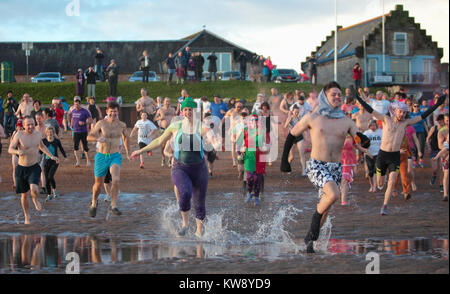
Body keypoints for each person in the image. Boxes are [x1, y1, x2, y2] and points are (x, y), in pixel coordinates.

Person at [280, 81, 370, 253]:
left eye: (339, 94)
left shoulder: (346, 121)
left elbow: (358, 138)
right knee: (334, 194)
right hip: (316, 165)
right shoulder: (312, 117)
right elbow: (292, 136)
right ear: (324, 97)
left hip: (336, 167)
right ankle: (311, 235)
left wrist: (364, 141)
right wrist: (285, 161)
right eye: (333, 94)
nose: (337, 97)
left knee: (326, 206)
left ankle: (310, 241)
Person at [354, 88, 447, 215]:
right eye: (400, 112)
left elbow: (422, 116)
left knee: (391, 182)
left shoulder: (406, 123)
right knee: (380, 183)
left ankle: (384, 206)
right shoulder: (385, 119)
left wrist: (437, 104)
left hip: (394, 156)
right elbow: (371, 110)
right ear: (394, 111)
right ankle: (382, 179)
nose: (402, 114)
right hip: (382, 155)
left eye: (404, 112)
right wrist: (359, 99)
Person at [131, 97, 215, 238]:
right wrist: (140, 151)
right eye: (186, 110)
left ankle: (200, 233)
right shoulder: (175, 126)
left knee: (200, 203)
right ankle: (185, 224)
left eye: (191, 110)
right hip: (180, 167)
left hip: (199, 169)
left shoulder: (200, 126)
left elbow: (210, 135)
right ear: (182, 112)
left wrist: (214, 140)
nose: (188, 112)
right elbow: (159, 140)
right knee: (185, 193)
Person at [8, 116, 59, 224]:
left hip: (34, 167)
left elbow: (42, 146)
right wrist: (17, 152)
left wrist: (51, 156)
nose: (31, 126)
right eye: (28, 124)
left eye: (32, 124)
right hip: (21, 168)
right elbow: (10, 149)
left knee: (34, 189)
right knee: (24, 195)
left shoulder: (37, 134)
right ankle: (27, 216)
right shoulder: (19, 135)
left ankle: (35, 200)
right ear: (23, 125)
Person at [87, 102, 131, 217]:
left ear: (118, 112)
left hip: (115, 156)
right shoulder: (101, 123)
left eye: (115, 111)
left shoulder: (122, 125)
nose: (113, 113)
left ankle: (113, 205)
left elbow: (126, 137)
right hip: (101, 156)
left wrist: (127, 152)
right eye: (111, 111)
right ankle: (93, 203)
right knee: (98, 185)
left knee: (115, 180)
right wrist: (98, 138)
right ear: (107, 112)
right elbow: (89, 136)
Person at [236, 113, 269, 206]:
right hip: (249, 155)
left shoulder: (262, 131)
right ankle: (250, 192)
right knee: (250, 177)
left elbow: (268, 142)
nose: (253, 121)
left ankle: (256, 197)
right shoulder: (245, 130)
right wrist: (239, 152)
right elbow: (238, 142)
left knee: (258, 178)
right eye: (252, 120)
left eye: (255, 120)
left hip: (260, 155)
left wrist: (266, 148)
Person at [340, 134, 368, 205]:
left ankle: (343, 199)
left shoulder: (352, 137)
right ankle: (340, 194)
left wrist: (368, 151)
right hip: (337, 160)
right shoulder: (336, 135)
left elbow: (358, 147)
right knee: (339, 180)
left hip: (348, 161)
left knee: (345, 179)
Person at [42, 126, 67, 201]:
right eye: (48, 132)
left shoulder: (56, 141)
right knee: (46, 180)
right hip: (46, 161)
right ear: (46, 133)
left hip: (55, 161)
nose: (50, 133)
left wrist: (65, 157)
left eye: (51, 132)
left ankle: (54, 190)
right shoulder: (43, 141)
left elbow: (61, 149)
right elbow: (40, 151)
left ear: (53, 133)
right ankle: (49, 195)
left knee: (50, 176)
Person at [69, 96, 92, 167]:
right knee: (75, 147)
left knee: (85, 147)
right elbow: (72, 118)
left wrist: (84, 123)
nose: (76, 105)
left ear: (80, 104)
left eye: (77, 104)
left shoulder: (85, 111)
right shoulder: (73, 111)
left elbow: (90, 120)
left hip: (83, 131)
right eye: (75, 104)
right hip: (76, 131)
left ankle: (88, 161)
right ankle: (78, 161)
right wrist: (71, 124)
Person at [154, 97, 176, 167]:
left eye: (169, 101)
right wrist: (161, 118)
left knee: (171, 144)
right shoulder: (160, 110)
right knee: (163, 145)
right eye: (166, 101)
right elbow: (154, 118)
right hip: (163, 129)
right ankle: (163, 158)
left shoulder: (172, 109)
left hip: (171, 129)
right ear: (164, 102)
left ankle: (170, 160)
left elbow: (175, 117)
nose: (168, 103)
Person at [363, 120, 383, 193]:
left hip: (378, 153)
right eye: (371, 125)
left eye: (374, 125)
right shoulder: (366, 133)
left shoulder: (381, 132)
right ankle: (371, 185)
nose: (373, 127)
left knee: (375, 170)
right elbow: (362, 144)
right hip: (369, 154)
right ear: (369, 126)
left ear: (376, 125)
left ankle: (374, 186)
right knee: (370, 172)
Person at [427, 114, 445, 186]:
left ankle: (441, 185)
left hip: (442, 151)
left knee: (441, 169)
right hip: (433, 150)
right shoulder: (433, 128)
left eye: (441, 120)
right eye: (438, 120)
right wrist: (428, 147)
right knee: (435, 168)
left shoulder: (446, 129)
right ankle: (434, 175)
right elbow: (427, 139)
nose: (439, 122)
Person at [409, 101, 428, 168]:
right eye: (415, 106)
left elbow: (424, 124)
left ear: (419, 107)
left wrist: (427, 132)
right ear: (412, 107)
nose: (416, 107)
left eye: (417, 106)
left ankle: (421, 159)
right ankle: (414, 161)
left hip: (421, 131)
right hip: (412, 132)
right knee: (414, 146)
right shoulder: (410, 114)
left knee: (421, 145)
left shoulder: (421, 114)